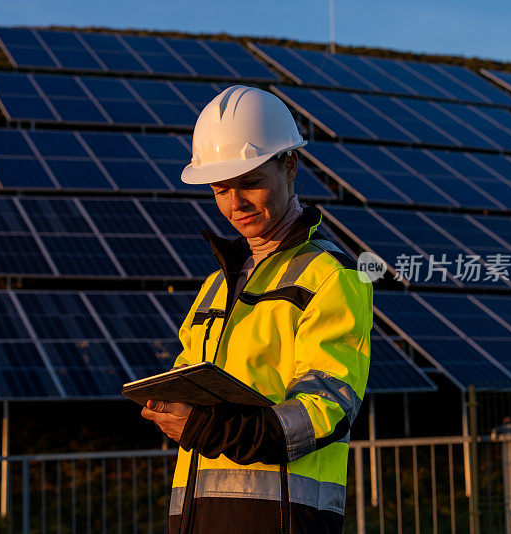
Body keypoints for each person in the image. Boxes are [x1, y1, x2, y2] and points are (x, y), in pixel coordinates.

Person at [140, 85, 373, 534]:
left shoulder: (332, 275)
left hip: (283, 520)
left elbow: (326, 407)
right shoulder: (215, 287)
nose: (235, 204)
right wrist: (171, 409)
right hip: (196, 520)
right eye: (220, 189)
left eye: (251, 183)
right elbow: (189, 385)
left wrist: (210, 428)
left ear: (290, 166)